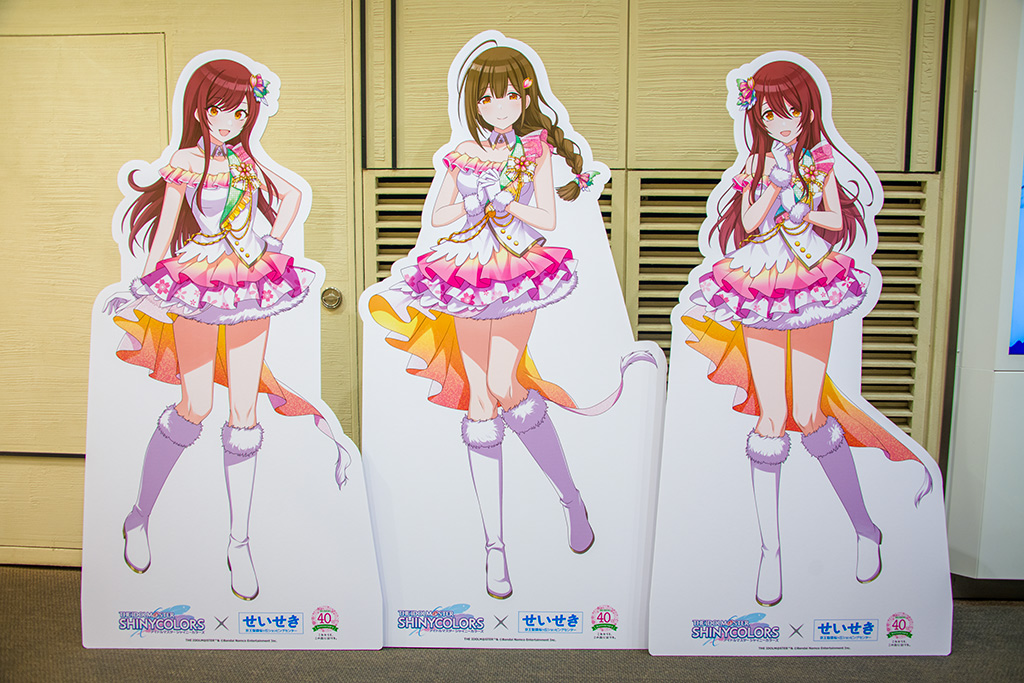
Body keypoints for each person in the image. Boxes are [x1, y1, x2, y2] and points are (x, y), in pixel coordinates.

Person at [368, 43, 638, 600]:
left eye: (509, 95)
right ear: (474, 102)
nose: (499, 106)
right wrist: (472, 206)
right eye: (488, 98)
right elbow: (440, 212)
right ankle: (495, 547)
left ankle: (570, 498)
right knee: (481, 400)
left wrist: (507, 205)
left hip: (517, 267)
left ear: (525, 96)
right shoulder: (463, 153)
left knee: (501, 383)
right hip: (467, 266)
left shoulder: (534, 150)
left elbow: (547, 217)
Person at [683, 59, 930, 607]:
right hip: (761, 276)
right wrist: (774, 189)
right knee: (771, 420)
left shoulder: (820, 159)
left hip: (812, 275)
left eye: (789, 111)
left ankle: (864, 528)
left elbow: (835, 221)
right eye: (769, 113)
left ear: (807, 111)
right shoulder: (756, 163)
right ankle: (771, 552)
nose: (780, 121)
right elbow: (748, 224)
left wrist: (805, 215)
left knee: (810, 414)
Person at [109, 57, 344, 601]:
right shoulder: (187, 162)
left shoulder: (246, 161)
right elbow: (167, 226)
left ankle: (239, 543)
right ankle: (140, 514)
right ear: (201, 108)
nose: (231, 120)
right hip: (197, 275)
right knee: (195, 406)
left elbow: (292, 196)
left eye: (240, 112)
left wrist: (273, 242)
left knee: (244, 412)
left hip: (249, 278)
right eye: (221, 109)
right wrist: (143, 282)